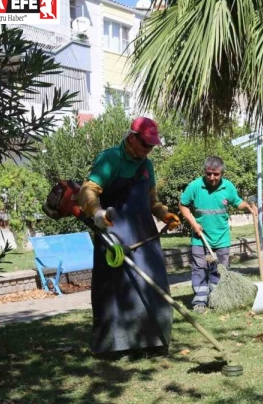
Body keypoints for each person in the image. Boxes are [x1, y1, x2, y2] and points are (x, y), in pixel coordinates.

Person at [78, 117, 181, 354]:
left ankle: (153, 341)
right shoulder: (110, 158)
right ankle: (114, 346)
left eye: (152, 146)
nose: (148, 150)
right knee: (116, 289)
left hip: (144, 234)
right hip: (114, 234)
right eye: (145, 145)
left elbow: (151, 199)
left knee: (152, 287)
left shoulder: (147, 166)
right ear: (132, 138)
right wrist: (97, 213)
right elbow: (88, 191)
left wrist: (164, 214)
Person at [179, 156, 257, 313]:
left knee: (219, 269)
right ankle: (200, 300)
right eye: (208, 174)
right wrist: (194, 224)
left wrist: (248, 206)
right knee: (199, 268)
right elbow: (183, 205)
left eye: (216, 174)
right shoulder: (195, 186)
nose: (212, 178)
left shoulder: (228, 187)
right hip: (200, 237)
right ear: (205, 172)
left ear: (222, 173)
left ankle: (215, 298)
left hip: (222, 238)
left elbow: (237, 202)